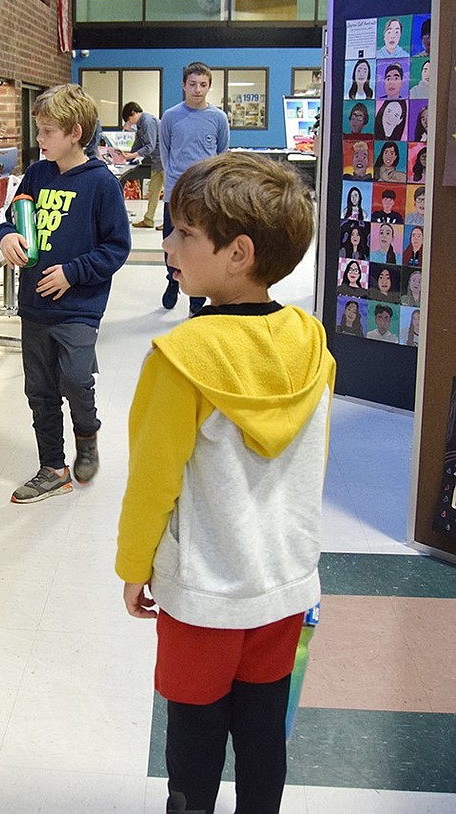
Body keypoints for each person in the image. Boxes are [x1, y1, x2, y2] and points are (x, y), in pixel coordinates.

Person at [116, 151, 333, 814]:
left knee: (195, 742)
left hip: (206, 593)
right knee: (265, 736)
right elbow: (310, 458)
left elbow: (151, 479)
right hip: (286, 585)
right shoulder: (310, 338)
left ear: (238, 252)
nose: (168, 241)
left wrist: (134, 565)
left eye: (183, 232)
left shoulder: (182, 358)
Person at [0, 84, 131, 503]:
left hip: (77, 308)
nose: (39, 140)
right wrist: (6, 237)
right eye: (39, 130)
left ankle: (86, 436)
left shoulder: (102, 185)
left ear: (75, 132)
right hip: (35, 305)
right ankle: (52, 467)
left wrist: (73, 273)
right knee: (39, 389)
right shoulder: (36, 174)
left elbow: (116, 248)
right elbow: (9, 219)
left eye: (47, 131)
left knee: (75, 379)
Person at [160, 61, 230, 314]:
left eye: (203, 84)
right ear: (183, 85)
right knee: (172, 241)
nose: (197, 90)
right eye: (192, 84)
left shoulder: (218, 118)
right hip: (175, 193)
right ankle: (172, 280)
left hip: (206, 195)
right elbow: (165, 153)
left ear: (209, 86)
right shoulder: (170, 117)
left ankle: (197, 298)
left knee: (201, 244)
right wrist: (175, 182)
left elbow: (222, 154)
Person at [121, 101, 165, 229]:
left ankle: (170, 222)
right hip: (156, 162)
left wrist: (132, 156)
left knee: (170, 194)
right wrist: (128, 154)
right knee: (153, 192)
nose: (129, 123)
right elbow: (138, 142)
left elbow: (150, 146)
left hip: (165, 160)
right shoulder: (140, 125)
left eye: (129, 119)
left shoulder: (147, 121)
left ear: (133, 113)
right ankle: (148, 220)